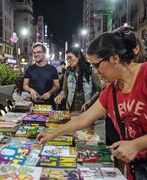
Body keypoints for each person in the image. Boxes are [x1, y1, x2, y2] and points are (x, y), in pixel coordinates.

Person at [37, 31, 147, 180]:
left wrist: (137, 144)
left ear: (114, 58)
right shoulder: (111, 91)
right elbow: (84, 119)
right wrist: (52, 134)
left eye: (97, 65)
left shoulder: (144, 75)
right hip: (135, 168)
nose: (96, 71)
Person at [54, 47, 101, 111]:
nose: (68, 60)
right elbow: (64, 91)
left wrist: (90, 101)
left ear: (78, 56)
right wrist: (60, 96)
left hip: (87, 111)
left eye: (70, 57)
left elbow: (99, 90)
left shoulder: (90, 71)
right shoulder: (68, 72)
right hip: (70, 110)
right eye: (67, 58)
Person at [23, 43, 59, 108]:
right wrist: (31, 90)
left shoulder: (52, 69)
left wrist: (49, 93)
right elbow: (25, 85)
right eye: (34, 53)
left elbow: (57, 86)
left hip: (49, 105)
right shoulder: (29, 69)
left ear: (44, 53)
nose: (36, 54)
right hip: (33, 105)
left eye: (39, 52)